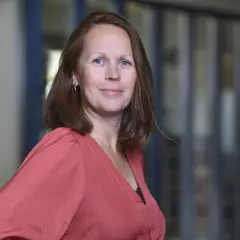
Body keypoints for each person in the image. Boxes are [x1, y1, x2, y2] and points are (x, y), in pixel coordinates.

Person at [0, 12, 166, 240]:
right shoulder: (66, 149)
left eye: (125, 62)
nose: (113, 74)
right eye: (99, 61)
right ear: (75, 75)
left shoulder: (130, 154)